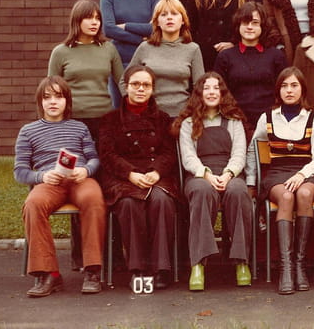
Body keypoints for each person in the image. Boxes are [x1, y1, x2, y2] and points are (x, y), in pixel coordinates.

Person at [14, 76, 106, 297]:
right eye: (47, 97)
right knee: (33, 204)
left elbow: (94, 159)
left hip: (79, 180)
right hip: (50, 182)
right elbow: (20, 171)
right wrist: (42, 176)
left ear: (67, 101)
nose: (53, 102)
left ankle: (92, 270)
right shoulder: (28, 131)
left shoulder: (79, 128)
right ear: (40, 102)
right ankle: (49, 274)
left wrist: (86, 170)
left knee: (93, 199)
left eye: (58, 96)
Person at [99, 66, 179, 290]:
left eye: (146, 85)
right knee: (129, 204)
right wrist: (130, 174)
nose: (141, 89)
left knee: (162, 201)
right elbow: (107, 155)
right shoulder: (110, 119)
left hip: (155, 175)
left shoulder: (163, 119)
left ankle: (162, 268)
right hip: (123, 177)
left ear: (152, 89)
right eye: (135, 84)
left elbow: (169, 153)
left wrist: (156, 172)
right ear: (126, 87)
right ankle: (138, 269)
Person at [173, 72, 253, 290]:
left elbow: (239, 154)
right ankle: (198, 264)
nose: (211, 92)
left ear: (222, 93)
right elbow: (188, 157)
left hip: (230, 173)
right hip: (200, 175)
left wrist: (228, 174)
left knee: (239, 192)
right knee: (201, 192)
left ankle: (241, 261)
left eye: (216, 88)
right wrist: (206, 174)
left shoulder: (234, 121)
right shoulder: (188, 123)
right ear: (199, 93)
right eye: (206, 88)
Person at [251, 67, 314, 294]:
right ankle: (286, 268)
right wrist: (251, 182)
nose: (289, 90)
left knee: (303, 193)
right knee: (286, 197)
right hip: (277, 173)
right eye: (284, 86)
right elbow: (253, 150)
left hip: (307, 173)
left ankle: (300, 265)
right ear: (278, 90)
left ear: (302, 89)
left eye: (294, 85)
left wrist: (302, 175)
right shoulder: (267, 117)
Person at [48, 0, 123, 143]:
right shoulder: (60, 52)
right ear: (77, 20)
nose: (94, 22)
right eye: (89, 18)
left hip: (103, 118)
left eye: (97, 18)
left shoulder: (108, 48)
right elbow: (51, 89)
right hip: (72, 119)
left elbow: (122, 81)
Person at [213, 1, 288, 141]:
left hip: (271, 122)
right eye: (245, 22)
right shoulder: (225, 56)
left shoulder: (276, 55)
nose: (249, 27)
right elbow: (219, 92)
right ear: (238, 25)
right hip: (235, 122)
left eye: (255, 23)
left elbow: (284, 90)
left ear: (262, 26)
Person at [101, 0, 161, 106]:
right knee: (119, 107)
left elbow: (156, 29)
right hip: (118, 62)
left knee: (145, 107)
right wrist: (142, 38)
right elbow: (108, 29)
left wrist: (126, 26)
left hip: (146, 62)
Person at [127, 0, 204, 118]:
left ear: (183, 20)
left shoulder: (193, 49)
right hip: (150, 115)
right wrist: (134, 105)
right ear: (157, 22)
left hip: (182, 116)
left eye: (174, 14)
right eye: (163, 15)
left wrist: (191, 112)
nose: (169, 18)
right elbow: (124, 80)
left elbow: (200, 87)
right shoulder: (145, 47)